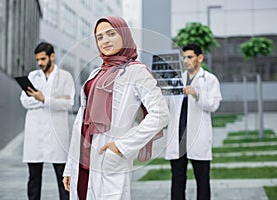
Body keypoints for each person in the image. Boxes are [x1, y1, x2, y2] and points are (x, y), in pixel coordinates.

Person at [62, 16, 170, 200]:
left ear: (124, 34)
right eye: (100, 37)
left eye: (111, 34)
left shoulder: (136, 71)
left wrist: (121, 146)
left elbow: (161, 114)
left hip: (108, 157)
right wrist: (69, 166)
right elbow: (81, 120)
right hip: (82, 158)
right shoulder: (97, 72)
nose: (105, 41)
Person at [165, 43, 222, 200]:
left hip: (198, 138)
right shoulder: (176, 80)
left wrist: (197, 95)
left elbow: (213, 105)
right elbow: (167, 106)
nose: (186, 61)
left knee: (202, 182)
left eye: (190, 57)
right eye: (184, 57)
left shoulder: (210, 80)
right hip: (177, 139)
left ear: (200, 58)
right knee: (177, 182)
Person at [20, 42, 75, 200]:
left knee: (63, 179)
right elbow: (24, 101)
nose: (40, 63)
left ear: (52, 56)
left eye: (43, 59)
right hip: (35, 133)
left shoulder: (65, 77)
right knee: (33, 178)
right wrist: (52, 100)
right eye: (38, 59)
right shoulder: (32, 76)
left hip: (56, 134)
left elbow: (68, 103)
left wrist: (43, 98)